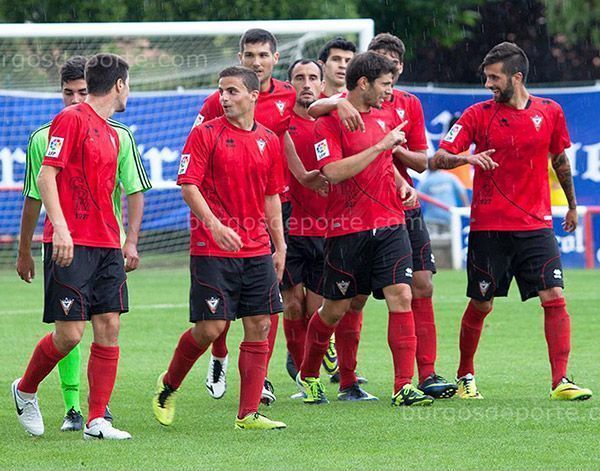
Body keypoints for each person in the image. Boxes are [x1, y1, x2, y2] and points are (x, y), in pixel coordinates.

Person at [429, 42, 592, 401]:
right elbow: (439, 157)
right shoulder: (476, 114)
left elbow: (560, 159)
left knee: (554, 296)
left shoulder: (550, 112)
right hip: (490, 227)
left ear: (516, 77)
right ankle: (465, 375)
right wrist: (468, 161)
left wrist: (572, 206)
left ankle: (560, 380)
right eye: (487, 77)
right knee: (482, 304)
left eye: (494, 77)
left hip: (536, 225)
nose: (489, 84)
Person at [309, 33, 457, 399]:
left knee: (403, 294)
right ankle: (311, 373)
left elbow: (400, 159)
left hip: (391, 221)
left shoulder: (389, 113)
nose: (389, 91)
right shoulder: (329, 120)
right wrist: (380, 145)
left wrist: (399, 182)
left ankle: (404, 385)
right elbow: (332, 173)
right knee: (337, 307)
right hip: (347, 228)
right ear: (364, 81)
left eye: (392, 81)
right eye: (384, 84)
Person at [15, 56, 150, 432]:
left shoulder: (110, 131)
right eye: (130, 84)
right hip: (71, 244)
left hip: (107, 243)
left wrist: (126, 241)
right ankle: (25, 390)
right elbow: (46, 178)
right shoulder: (71, 119)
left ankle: (96, 419)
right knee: (70, 334)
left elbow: (122, 191)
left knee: (108, 326)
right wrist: (60, 229)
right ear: (120, 85)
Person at [152, 66, 287, 431]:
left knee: (259, 324)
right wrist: (215, 226)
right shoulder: (204, 134)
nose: (224, 98)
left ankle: (248, 414)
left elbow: (272, 195)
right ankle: (168, 386)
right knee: (211, 328)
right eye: (221, 91)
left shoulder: (269, 140)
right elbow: (188, 186)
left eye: (232, 91)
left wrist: (280, 245)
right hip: (212, 249)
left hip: (257, 248)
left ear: (253, 95)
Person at [197, 28, 326, 405]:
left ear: (274, 59)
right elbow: (198, 155)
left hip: (272, 209)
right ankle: (219, 353)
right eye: (249, 55)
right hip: (228, 214)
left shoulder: (288, 94)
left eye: (263, 55)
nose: (256, 61)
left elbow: (296, 126)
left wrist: (302, 176)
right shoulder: (217, 101)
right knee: (225, 302)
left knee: (268, 301)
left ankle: (263, 377)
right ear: (240, 57)